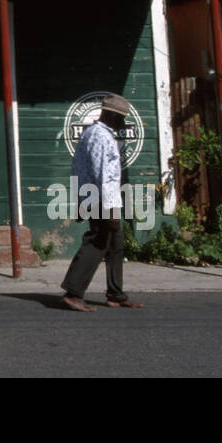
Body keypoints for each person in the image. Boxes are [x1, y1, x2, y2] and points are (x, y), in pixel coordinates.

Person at [60, 93, 145, 312]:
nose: (123, 123)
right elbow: (103, 176)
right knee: (97, 242)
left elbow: (78, 168)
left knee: (116, 244)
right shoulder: (101, 136)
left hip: (94, 196)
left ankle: (115, 294)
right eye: (120, 118)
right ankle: (73, 292)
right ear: (110, 115)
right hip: (100, 198)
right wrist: (111, 211)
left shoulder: (93, 133)